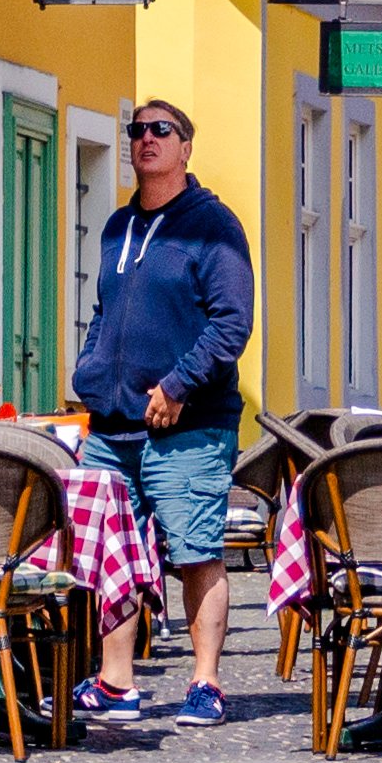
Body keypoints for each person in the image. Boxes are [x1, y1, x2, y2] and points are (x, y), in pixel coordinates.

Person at [70, 100, 254, 727]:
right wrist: (89, 372)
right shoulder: (119, 225)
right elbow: (104, 311)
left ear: (185, 148)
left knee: (194, 550)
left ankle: (205, 683)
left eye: (161, 130)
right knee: (109, 551)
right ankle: (116, 681)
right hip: (112, 423)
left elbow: (233, 323)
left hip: (189, 425)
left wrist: (178, 385)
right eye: (137, 130)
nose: (145, 140)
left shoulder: (213, 226)